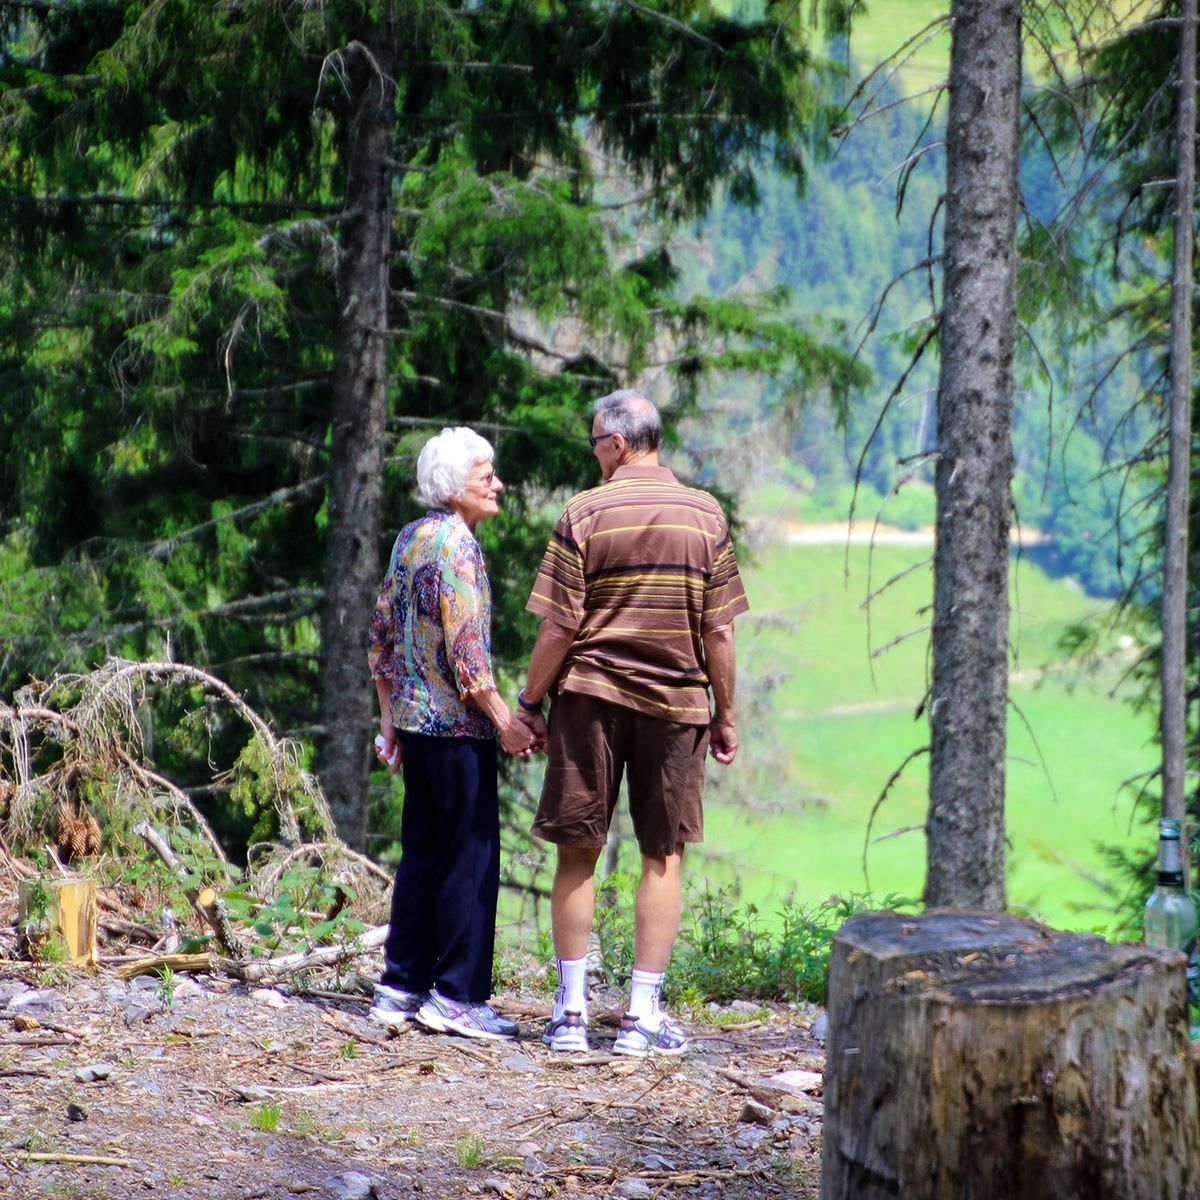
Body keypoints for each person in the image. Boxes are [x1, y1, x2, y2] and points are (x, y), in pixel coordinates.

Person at [514, 390, 747, 1057]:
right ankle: (643, 1017)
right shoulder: (705, 514)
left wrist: (529, 705)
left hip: (588, 698)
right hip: (676, 706)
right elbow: (720, 629)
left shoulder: (584, 511)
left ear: (617, 444)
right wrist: (725, 714)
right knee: (662, 854)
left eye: (594, 443)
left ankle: (571, 1016)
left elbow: (559, 626)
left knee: (577, 852)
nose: (594, 454)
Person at [367, 426, 534, 1041]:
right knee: (470, 857)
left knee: (423, 855)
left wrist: (390, 725)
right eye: (486, 474)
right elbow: (469, 657)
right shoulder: (459, 547)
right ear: (455, 486)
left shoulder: (410, 538)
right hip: (459, 728)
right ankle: (458, 996)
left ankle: (400, 984)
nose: (498, 484)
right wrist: (507, 724)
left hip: (415, 724)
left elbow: (380, 640)